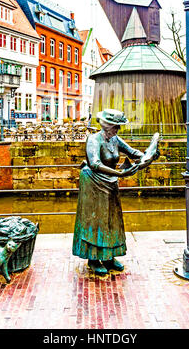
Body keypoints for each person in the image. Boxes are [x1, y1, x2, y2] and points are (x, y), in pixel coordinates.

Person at [72, 108, 159, 276]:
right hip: (93, 182)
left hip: (110, 182)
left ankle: (109, 256)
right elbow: (94, 163)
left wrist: (147, 156)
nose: (118, 130)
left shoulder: (115, 139)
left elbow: (133, 153)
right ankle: (93, 258)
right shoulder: (94, 139)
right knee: (95, 220)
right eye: (116, 127)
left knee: (112, 219)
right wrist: (119, 173)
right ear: (107, 126)